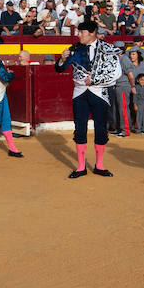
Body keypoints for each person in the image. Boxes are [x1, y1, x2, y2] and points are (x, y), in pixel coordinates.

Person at [54, 20, 120, 178]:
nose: (78, 35)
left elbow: (116, 72)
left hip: (100, 92)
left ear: (91, 33)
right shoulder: (74, 49)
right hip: (80, 93)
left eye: (81, 32)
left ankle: (99, 165)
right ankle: (81, 166)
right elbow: (59, 69)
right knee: (80, 127)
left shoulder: (107, 49)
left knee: (101, 127)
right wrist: (62, 59)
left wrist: (95, 79)